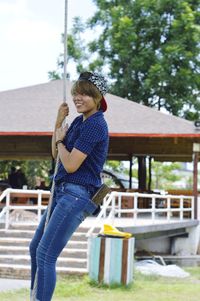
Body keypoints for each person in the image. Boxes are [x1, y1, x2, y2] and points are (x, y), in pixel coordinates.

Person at [29, 71, 109, 301]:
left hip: (76, 195)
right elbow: (56, 155)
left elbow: (72, 165)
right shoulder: (77, 121)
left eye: (85, 93)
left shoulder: (96, 124)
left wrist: (61, 140)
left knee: (45, 254)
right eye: (76, 93)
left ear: (97, 97)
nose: (78, 97)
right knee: (35, 249)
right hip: (63, 192)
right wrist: (57, 122)